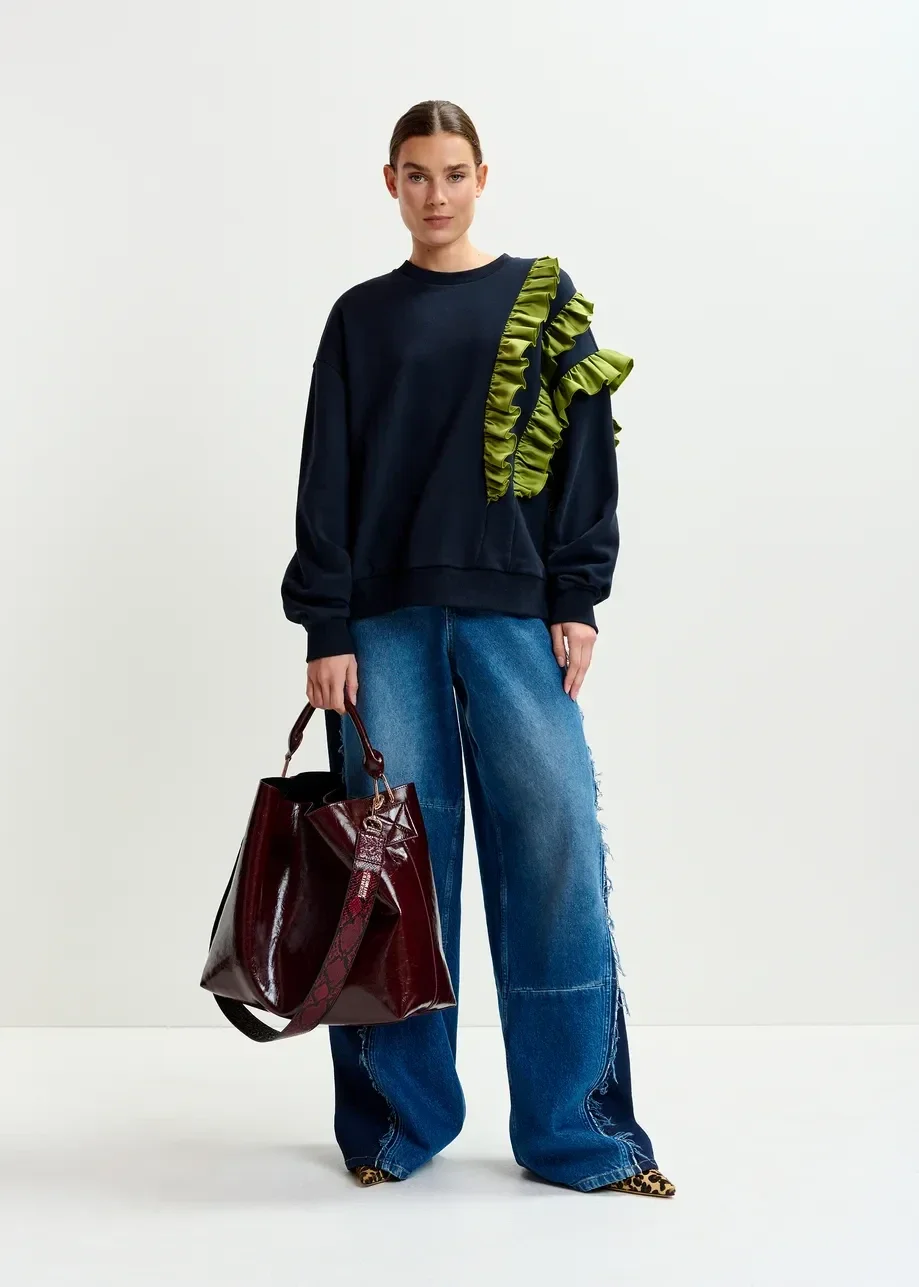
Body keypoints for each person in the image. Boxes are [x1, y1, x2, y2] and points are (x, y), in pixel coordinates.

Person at [280, 99, 675, 1199]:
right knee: (391, 868)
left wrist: (576, 597)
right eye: (416, 174)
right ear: (390, 183)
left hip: (512, 614)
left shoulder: (540, 300)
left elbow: (586, 454)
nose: (436, 194)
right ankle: (395, 1125)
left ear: (482, 177)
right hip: (383, 623)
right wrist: (326, 624)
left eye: (453, 173)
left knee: (556, 846)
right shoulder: (360, 318)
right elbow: (326, 474)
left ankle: (577, 1131)